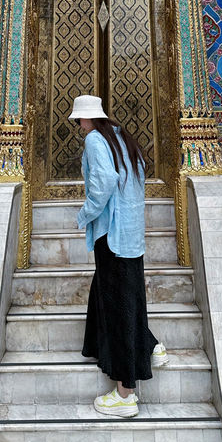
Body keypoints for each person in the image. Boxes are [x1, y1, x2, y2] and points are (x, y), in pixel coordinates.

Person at [69, 94, 169, 418]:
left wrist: (84, 214)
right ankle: (151, 345)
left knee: (119, 307)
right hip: (128, 234)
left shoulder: (96, 140)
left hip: (111, 235)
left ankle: (125, 393)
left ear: (87, 119)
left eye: (79, 120)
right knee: (118, 295)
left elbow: (104, 184)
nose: (79, 125)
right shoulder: (121, 137)